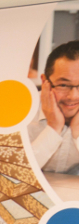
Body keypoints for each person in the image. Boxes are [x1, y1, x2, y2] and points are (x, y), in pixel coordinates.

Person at [28, 40, 79, 174]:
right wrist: (53, 128)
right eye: (63, 85)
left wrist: (77, 133)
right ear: (45, 81)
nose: (73, 96)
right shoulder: (21, 111)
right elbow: (11, 174)